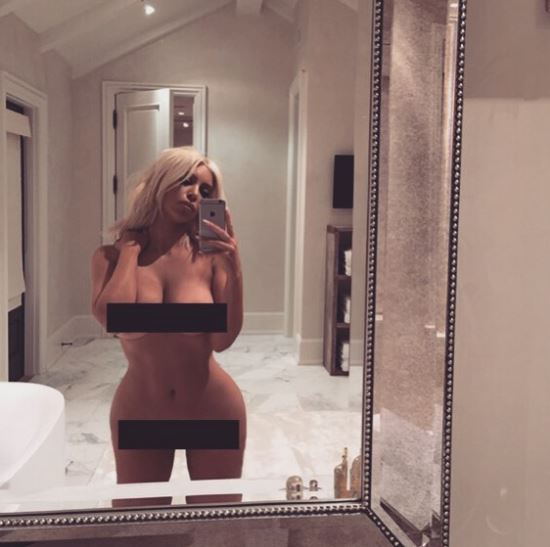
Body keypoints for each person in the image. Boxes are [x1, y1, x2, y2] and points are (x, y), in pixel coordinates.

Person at [90, 146, 246, 506]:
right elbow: (114, 320)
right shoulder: (109, 257)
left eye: (205, 190)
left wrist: (234, 264)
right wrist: (130, 252)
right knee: (140, 524)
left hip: (212, 409)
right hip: (141, 412)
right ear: (161, 181)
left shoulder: (210, 260)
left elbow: (222, 340)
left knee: (217, 524)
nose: (195, 194)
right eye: (186, 181)